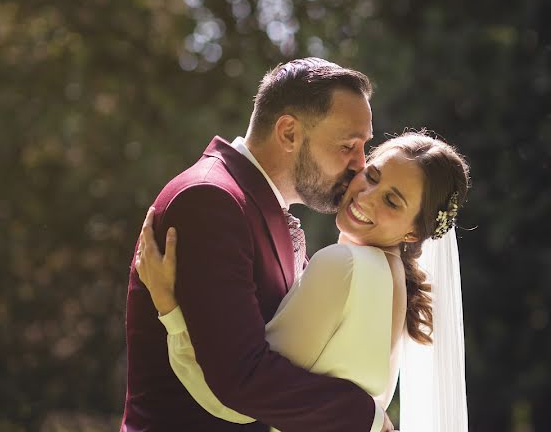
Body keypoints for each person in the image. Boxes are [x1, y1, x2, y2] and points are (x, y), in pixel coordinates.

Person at [120, 58, 394, 432]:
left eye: (365, 146)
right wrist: (365, 418)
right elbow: (241, 375)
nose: (360, 164)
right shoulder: (210, 200)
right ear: (288, 133)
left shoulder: (258, 207)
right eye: (348, 145)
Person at [136, 131, 471, 432]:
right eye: (371, 176)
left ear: (413, 231)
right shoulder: (394, 280)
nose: (366, 197)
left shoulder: (345, 266)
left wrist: (169, 307)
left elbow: (237, 398)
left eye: (391, 201)